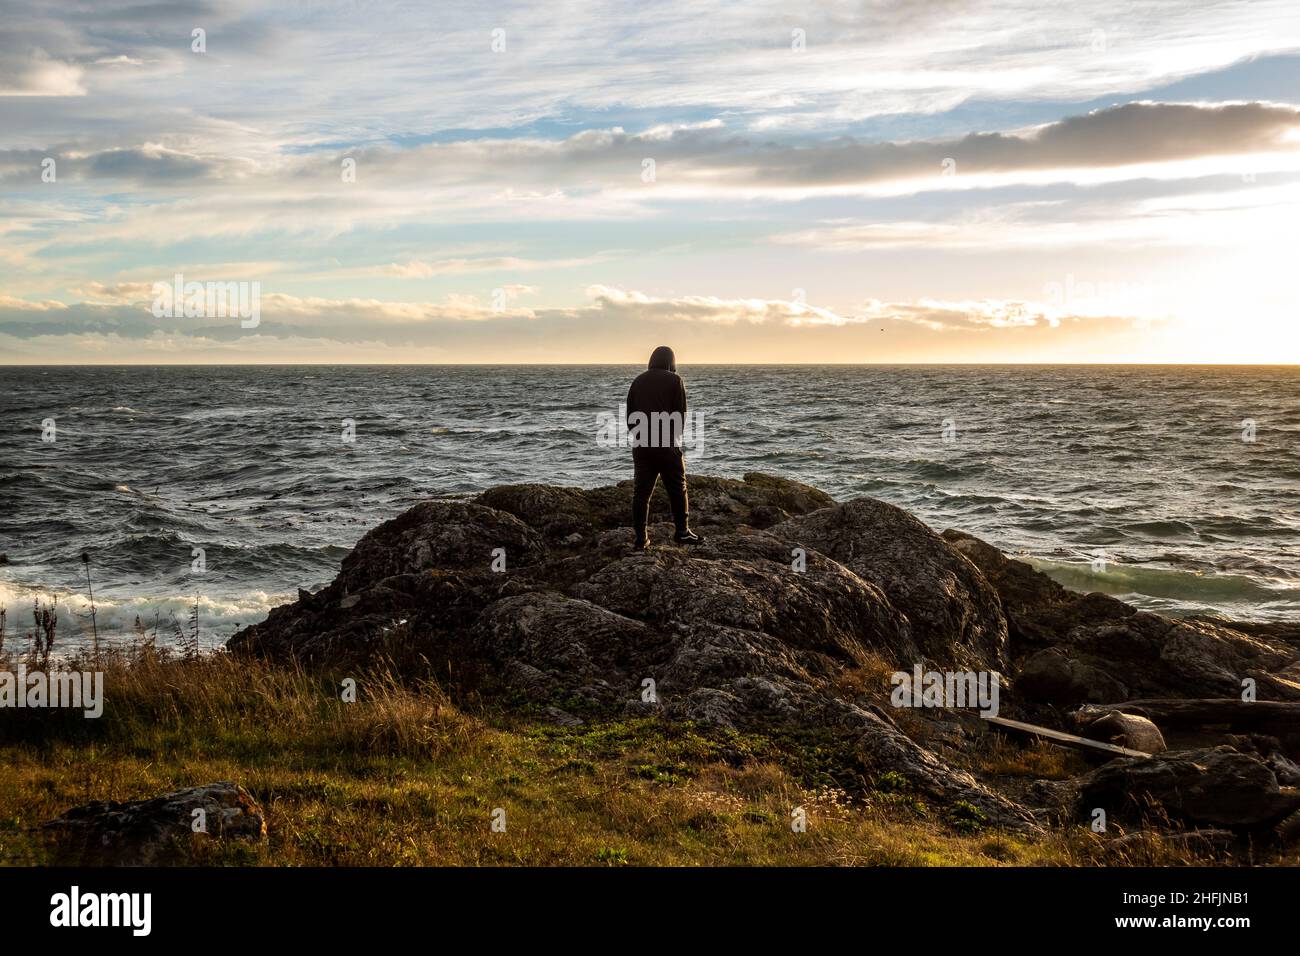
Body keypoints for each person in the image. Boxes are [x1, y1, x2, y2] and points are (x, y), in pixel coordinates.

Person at [626, 346, 703, 550]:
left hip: (641, 445)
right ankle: (682, 532)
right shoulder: (675, 380)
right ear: (671, 361)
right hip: (667, 444)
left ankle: (641, 539)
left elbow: (629, 417)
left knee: (641, 493)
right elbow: (680, 416)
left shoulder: (637, 381)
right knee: (678, 489)